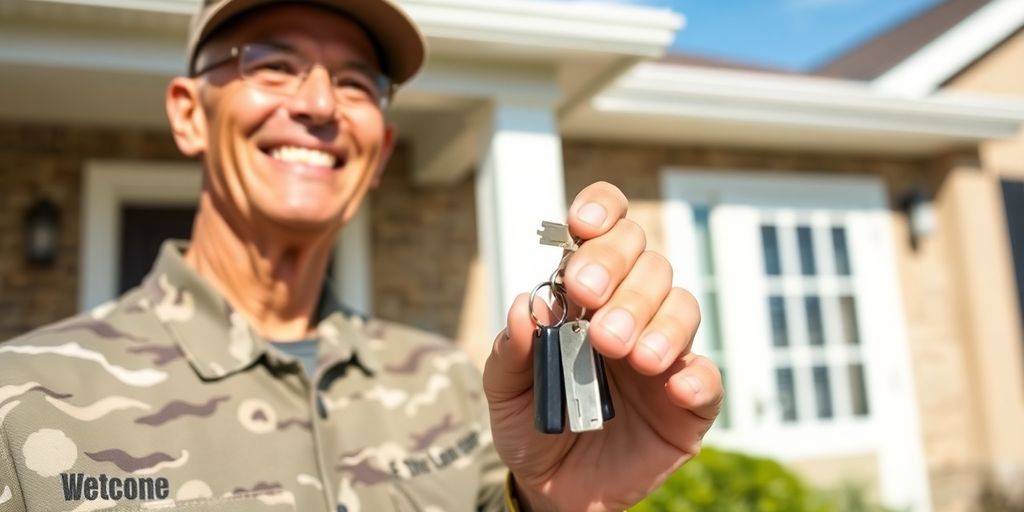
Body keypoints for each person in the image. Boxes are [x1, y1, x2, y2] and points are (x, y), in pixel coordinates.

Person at [0, 0, 723, 510]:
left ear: (378, 150)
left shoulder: (453, 388)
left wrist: (556, 505)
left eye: (354, 81)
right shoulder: (22, 407)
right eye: (273, 64)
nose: (319, 104)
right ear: (190, 112)